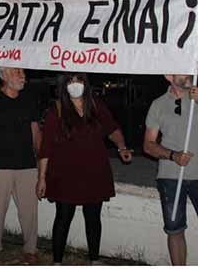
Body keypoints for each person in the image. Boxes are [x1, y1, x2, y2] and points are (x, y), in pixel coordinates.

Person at [37, 72, 133, 265]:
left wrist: (122, 147)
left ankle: (94, 260)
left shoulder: (96, 106)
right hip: (65, 174)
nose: (75, 84)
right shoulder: (57, 110)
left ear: (85, 83)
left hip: (94, 172)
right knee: (63, 217)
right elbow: (46, 147)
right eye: (70, 80)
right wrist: (42, 178)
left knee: (93, 217)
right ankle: (57, 262)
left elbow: (112, 129)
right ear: (64, 85)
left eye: (78, 79)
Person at [143, 74, 198, 265]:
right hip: (170, 178)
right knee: (175, 232)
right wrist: (172, 155)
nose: (188, 72)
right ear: (169, 76)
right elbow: (148, 145)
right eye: (181, 69)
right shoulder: (158, 104)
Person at [0, 67, 41, 260]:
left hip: (27, 166)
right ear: (4, 76)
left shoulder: (29, 100)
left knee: (29, 212)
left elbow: (36, 132)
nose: (22, 76)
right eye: (17, 72)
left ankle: (30, 250)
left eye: (23, 72)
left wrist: (41, 164)